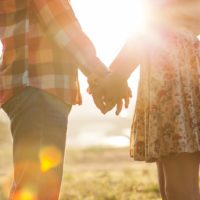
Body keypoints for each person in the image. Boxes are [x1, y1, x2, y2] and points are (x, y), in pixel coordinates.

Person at [0, 0, 125, 199]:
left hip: (28, 85)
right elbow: (63, 28)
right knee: (39, 188)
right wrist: (102, 75)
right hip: (39, 84)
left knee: (31, 185)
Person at [90, 0, 200, 199]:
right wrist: (114, 74)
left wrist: (114, 75)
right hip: (163, 72)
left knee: (178, 186)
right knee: (170, 184)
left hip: (175, 71)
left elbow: (155, 23)